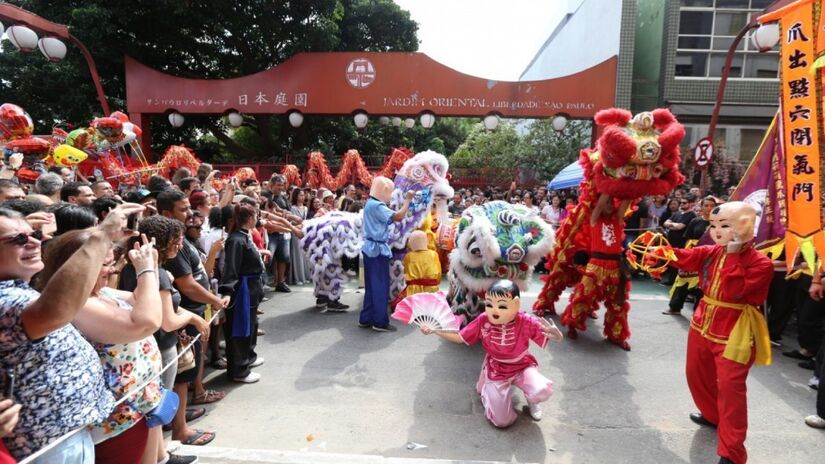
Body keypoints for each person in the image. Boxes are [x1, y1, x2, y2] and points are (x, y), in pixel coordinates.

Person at [0, 203, 140, 462]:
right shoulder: (4, 298)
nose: (34, 243)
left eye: (36, 234)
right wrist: (100, 235)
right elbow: (54, 310)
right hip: (48, 445)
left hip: (64, 436)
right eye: (19, 239)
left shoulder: (19, 288)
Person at [36, 230, 163, 464]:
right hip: (116, 418)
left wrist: (150, 264)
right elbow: (147, 322)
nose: (113, 270)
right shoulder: (78, 304)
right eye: (105, 264)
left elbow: (142, 300)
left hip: (137, 405)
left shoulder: (101, 293)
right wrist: (144, 271)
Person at [667, 202, 773, 464]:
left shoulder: (762, 264)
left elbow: (735, 290)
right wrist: (660, 251)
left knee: (730, 389)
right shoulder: (712, 252)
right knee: (696, 374)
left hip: (736, 329)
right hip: (703, 322)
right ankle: (712, 416)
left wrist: (735, 255)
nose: (716, 231)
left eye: (724, 226)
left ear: (744, 227)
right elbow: (685, 256)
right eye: (714, 226)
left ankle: (732, 452)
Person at [119, 216, 205, 464]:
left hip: (148, 345)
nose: (179, 246)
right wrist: (192, 318)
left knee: (153, 409)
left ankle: (161, 455)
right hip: (161, 347)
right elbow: (167, 321)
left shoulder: (131, 267)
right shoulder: (158, 274)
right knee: (154, 412)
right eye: (175, 241)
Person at [422, 280, 562, 427]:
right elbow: (460, 337)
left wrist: (558, 336)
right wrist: (435, 331)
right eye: (489, 304)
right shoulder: (483, 320)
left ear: (516, 305)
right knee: (502, 422)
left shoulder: (525, 320)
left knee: (542, 389)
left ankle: (532, 400)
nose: (494, 310)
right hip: (497, 369)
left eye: (502, 305)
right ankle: (490, 391)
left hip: (522, 366)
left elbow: (550, 337)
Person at [157, 190, 226, 445]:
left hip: (192, 313)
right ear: (166, 214)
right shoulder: (171, 246)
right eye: (183, 210)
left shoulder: (184, 240)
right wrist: (214, 301)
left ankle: (179, 417)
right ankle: (178, 428)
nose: (191, 215)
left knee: (188, 371)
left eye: (189, 209)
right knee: (180, 375)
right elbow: (186, 285)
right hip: (181, 320)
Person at [560, 198, 632, 350]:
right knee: (582, 297)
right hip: (596, 265)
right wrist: (606, 183)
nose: (609, 205)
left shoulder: (618, 220)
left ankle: (616, 335)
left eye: (612, 203)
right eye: (607, 202)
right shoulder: (594, 219)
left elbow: (627, 201)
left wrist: (632, 187)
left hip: (615, 266)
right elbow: (599, 205)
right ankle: (572, 325)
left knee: (617, 303)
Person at [359, 177, 413, 332]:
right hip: (377, 250)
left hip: (370, 248)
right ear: (384, 190)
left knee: (371, 286)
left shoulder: (370, 203)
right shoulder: (377, 205)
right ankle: (380, 322)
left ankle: (367, 318)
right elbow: (398, 216)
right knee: (380, 286)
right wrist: (407, 200)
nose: (390, 196)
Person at [220, 203, 266, 383]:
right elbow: (231, 268)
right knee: (241, 329)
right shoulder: (236, 240)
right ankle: (239, 370)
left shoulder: (244, 236)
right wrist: (227, 290)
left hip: (252, 288)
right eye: (254, 215)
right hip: (243, 290)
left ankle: (249, 358)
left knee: (251, 325)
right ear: (247, 218)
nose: (257, 219)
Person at [663, 196, 717, 316]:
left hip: (709, 255)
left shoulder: (718, 222)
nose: (708, 208)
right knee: (683, 279)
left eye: (712, 206)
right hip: (694, 252)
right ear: (701, 207)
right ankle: (675, 307)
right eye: (706, 205)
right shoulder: (695, 221)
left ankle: (698, 312)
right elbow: (687, 238)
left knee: (702, 283)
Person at [264, 175, 292, 293]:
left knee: (283, 258)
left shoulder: (284, 197)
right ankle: (262, 282)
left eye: (282, 185)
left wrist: (283, 213)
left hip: (282, 232)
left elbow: (288, 211)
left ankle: (280, 282)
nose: (281, 187)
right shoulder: (265, 196)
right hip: (270, 232)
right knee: (267, 259)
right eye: (278, 185)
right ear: (272, 185)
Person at [397, 230, 441, 302]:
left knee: (413, 310)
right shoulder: (434, 254)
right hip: (431, 289)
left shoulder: (408, 256)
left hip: (413, 290)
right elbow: (438, 274)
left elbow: (406, 273)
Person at [288, 188, 311, 286]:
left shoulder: (305, 208)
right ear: (296, 196)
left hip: (304, 232)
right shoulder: (292, 208)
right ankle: (298, 278)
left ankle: (305, 276)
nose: (302, 197)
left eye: (303, 195)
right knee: (297, 255)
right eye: (300, 195)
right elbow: (291, 222)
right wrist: (298, 225)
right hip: (295, 232)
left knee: (304, 255)